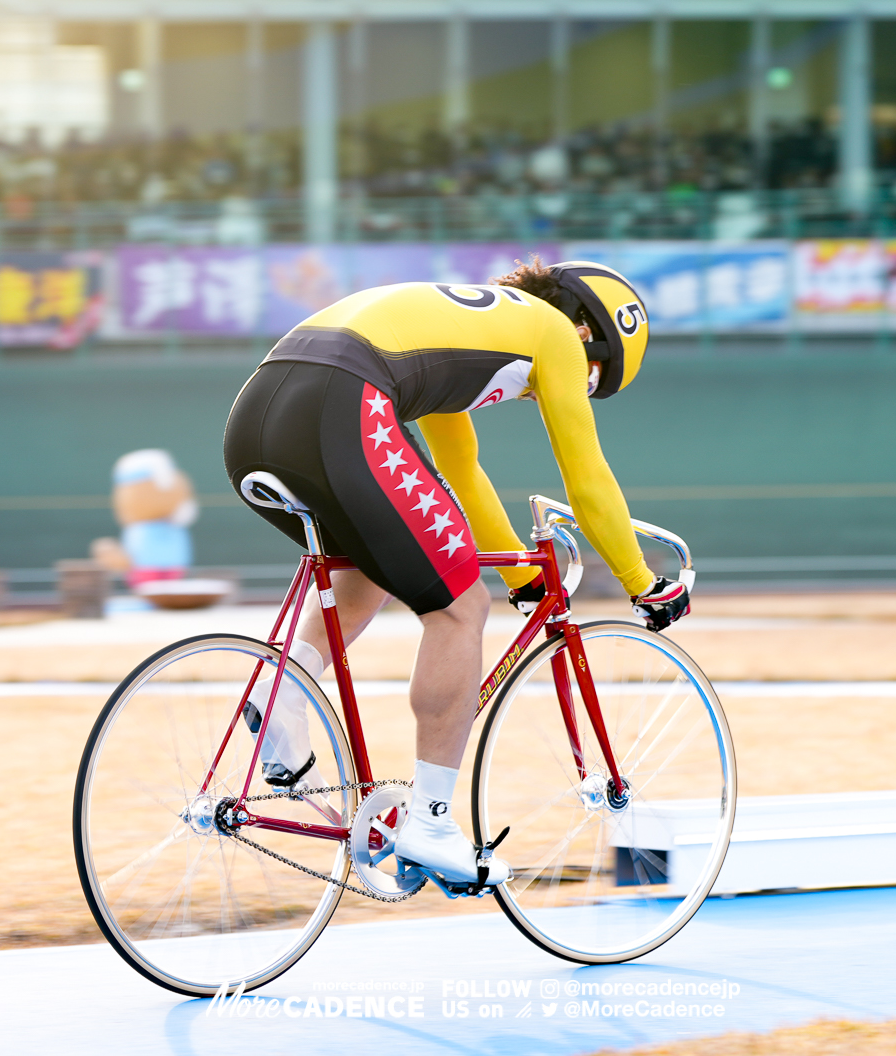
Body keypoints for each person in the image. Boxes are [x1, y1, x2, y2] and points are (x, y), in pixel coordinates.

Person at [222, 258, 690, 892]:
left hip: (257, 413)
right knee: (460, 609)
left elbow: (463, 475)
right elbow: (587, 481)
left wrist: (524, 584)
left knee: (377, 562)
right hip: (342, 402)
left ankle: (282, 690)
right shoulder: (552, 335)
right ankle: (433, 824)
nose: (581, 386)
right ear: (585, 334)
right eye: (595, 376)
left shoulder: (476, 328)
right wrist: (645, 581)